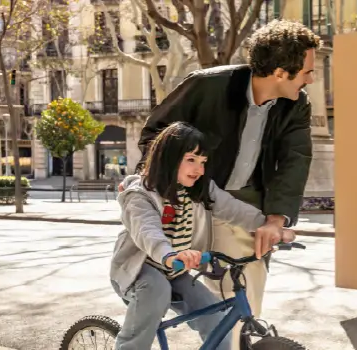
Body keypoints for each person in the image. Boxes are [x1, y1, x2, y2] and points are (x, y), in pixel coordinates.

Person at [132, 19, 321, 349]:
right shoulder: (207, 86)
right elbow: (154, 135)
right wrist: (174, 186)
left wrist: (276, 220)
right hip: (200, 200)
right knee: (220, 306)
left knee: (246, 303)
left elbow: (295, 159)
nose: (311, 78)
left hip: (248, 205)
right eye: (306, 71)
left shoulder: (297, 104)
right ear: (280, 72)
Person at [110, 122, 295, 350]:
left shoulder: (200, 190)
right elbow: (146, 231)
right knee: (156, 291)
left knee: (214, 312)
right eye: (191, 159)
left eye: (203, 162)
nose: (199, 169)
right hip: (140, 269)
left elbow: (233, 209)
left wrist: (270, 226)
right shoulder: (140, 194)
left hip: (176, 271)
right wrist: (169, 255)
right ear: (167, 157)